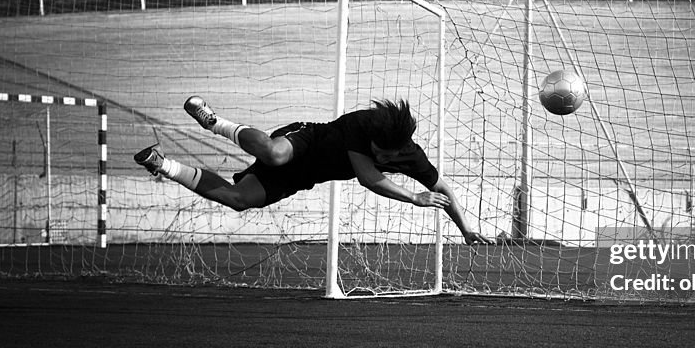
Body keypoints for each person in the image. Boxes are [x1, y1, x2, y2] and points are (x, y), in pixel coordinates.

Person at [135, 97, 491, 245]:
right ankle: (214, 123)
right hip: (306, 140)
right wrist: (414, 197)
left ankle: (162, 163)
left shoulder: (412, 157)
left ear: (399, 150)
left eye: (383, 152)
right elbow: (368, 177)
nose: (376, 151)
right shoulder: (363, 126)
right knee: (274, 154)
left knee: (240, 200)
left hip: (305, 175)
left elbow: (445, 190)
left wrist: (467, 230)